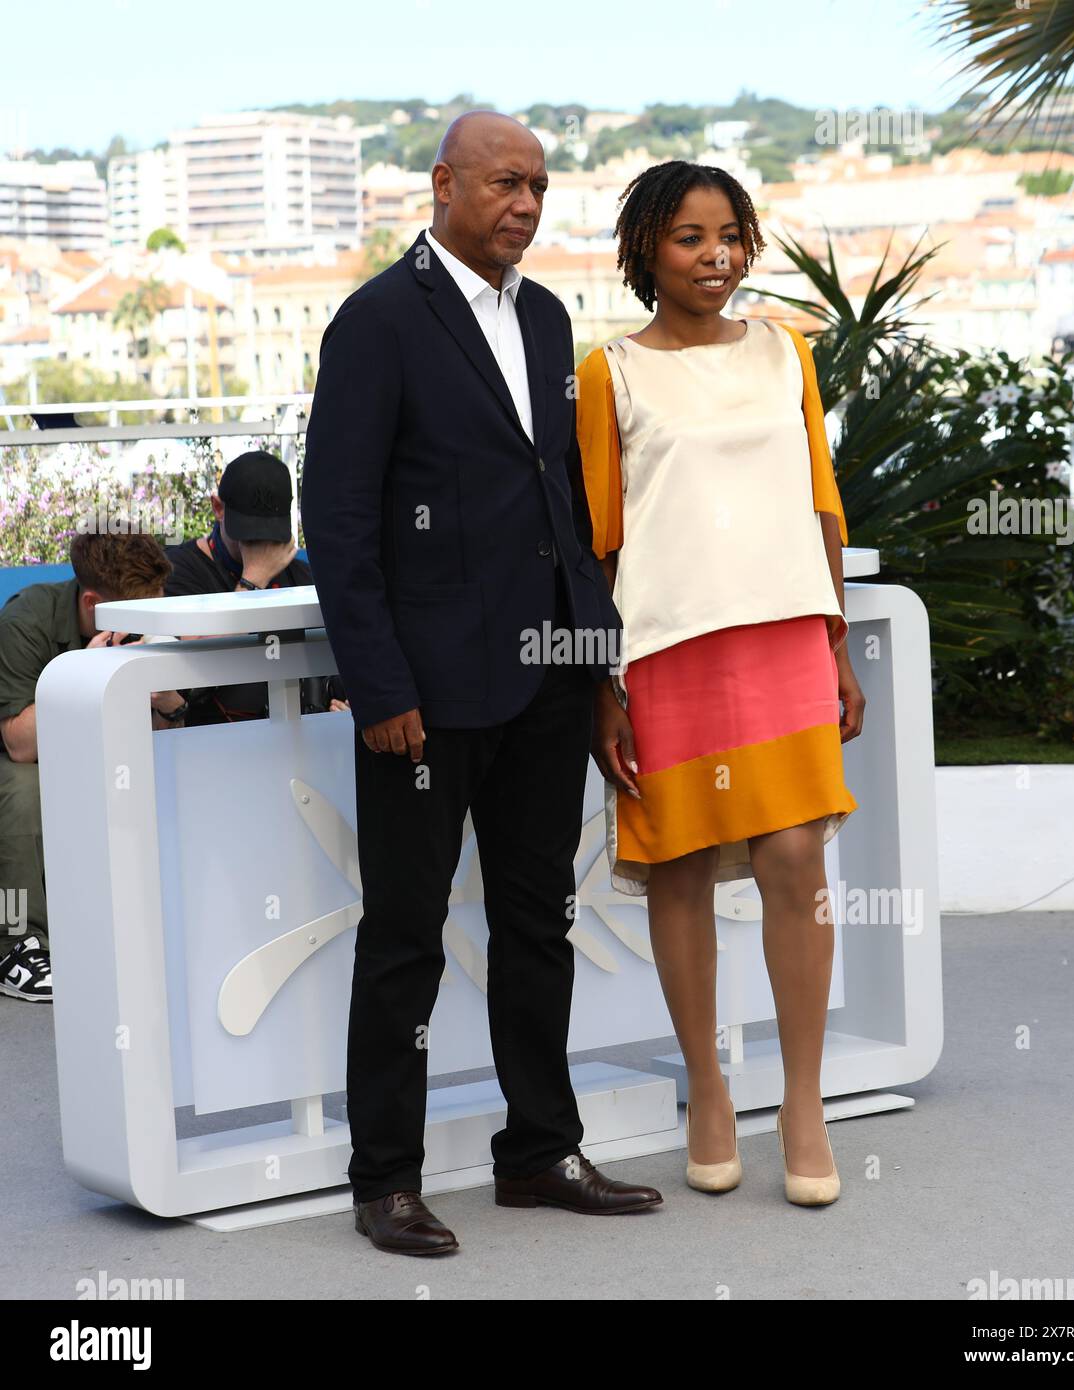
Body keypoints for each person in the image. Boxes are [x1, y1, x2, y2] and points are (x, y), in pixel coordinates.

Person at [302, 109, 663, 1257]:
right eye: (507, 182)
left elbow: (560, 498)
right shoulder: (376, 322)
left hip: (549, 682)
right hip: (424, 693)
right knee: (404, 935)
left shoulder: (549, 319)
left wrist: (596, 666)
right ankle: (386, 1179)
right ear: (445, 183)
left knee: (538, 920)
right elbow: (342, 515)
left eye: (541, 187)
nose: (526, 202)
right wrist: (378, 680)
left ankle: (539, 1152)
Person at [576, 160, 865, 1206]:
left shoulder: (786, 350)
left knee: (794, 855)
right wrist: (601, 685)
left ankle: (801, 1099)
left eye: (732, 235)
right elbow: (601, 540)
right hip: (666, 646)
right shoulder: (610, 371)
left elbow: (823, 504)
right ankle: (705, 1086)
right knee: (685, 863)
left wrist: (836, 644)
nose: (717, 255)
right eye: (691, 237)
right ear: (647, 248)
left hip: (786, 634)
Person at [0, 532, 186, 1001]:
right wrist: (81, 673)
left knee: (175, 771)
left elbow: (171, 741)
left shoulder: (152, 614)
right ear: (92, 602)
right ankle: (18, 944)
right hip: (23, 759)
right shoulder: (27, 620)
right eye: (135, 615)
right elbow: (19, 743)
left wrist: (167, 702)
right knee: (22, 788)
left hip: (106, 755)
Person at [163, 449, 346, 721]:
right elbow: (195, 671)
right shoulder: (177, 570)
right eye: (247, 536)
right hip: (211, 743)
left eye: (270, 535)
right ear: (218, 508)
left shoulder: (302, 578)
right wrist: (252, 583)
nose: (261, 546)